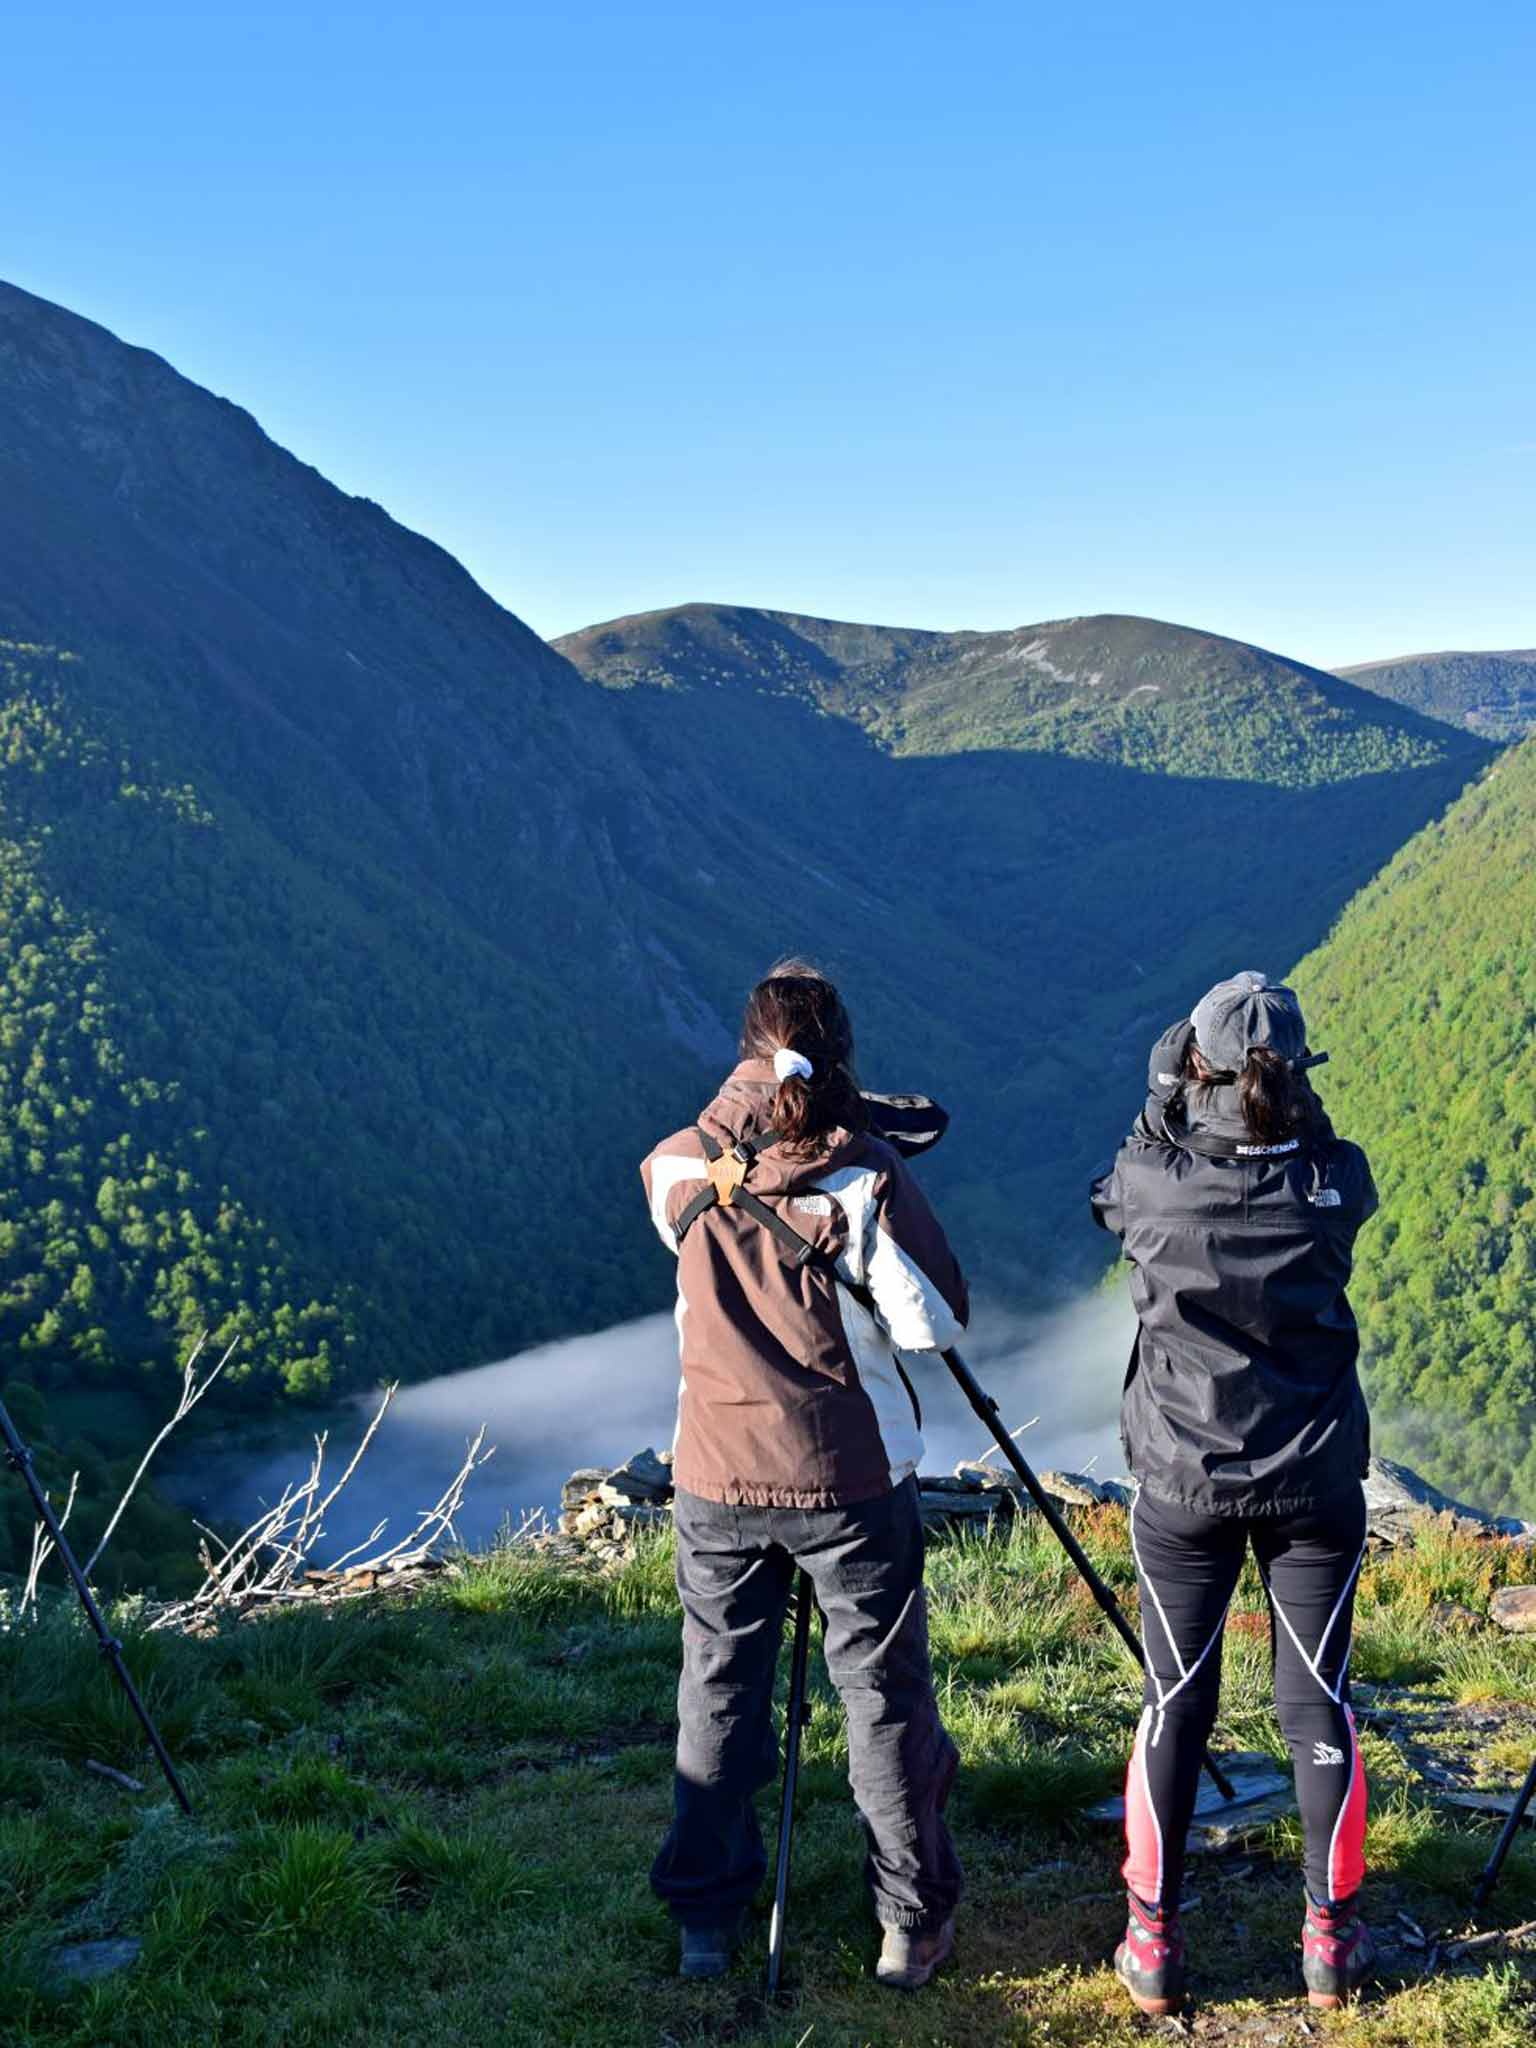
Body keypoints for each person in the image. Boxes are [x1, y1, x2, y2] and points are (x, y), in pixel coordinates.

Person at [641, 961, 969, 1989]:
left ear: (745, 1048)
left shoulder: (673, 1166)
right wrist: (863, 1146)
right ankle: (908, 1925)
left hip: (715, 1474)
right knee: (879, 1694)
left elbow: (706, 1203)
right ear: (839, 1055)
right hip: (846, 1477)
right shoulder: (861, 1175)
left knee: (719, 1685)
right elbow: (933, 1320)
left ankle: (706, 1916)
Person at [1091, 971, 1378, 2015]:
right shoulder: (1334, 1176)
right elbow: (1332, 1160)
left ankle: (1155, 1942)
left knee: (1175, 1699)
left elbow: (1108, 1193)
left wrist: (1166, 1094)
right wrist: (1281, 1108)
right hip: (1313, 1475)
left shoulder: (1151, 1175)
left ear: (1196, 1065)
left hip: (1183, 1473)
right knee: (1315, 1701)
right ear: (1296, 1077)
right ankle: (1330, 1943)